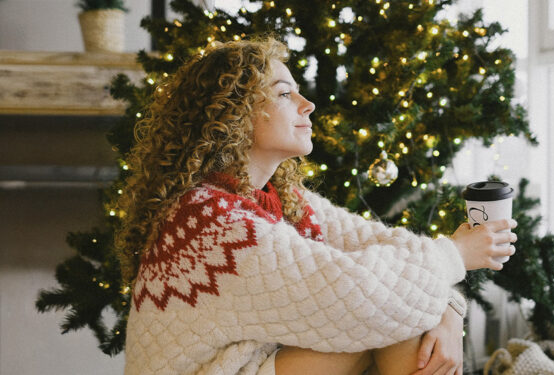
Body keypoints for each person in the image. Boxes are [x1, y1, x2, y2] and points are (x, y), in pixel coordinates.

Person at [116, 37, 518, 375]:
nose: (307, 104)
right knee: (390, 319)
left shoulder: (284, 199)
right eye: (284, 94)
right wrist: (456, 255)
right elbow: (358, 293)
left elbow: (386, 248)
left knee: (408, 316)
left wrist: (450, 308)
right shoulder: (206, 220)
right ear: (232, 114)